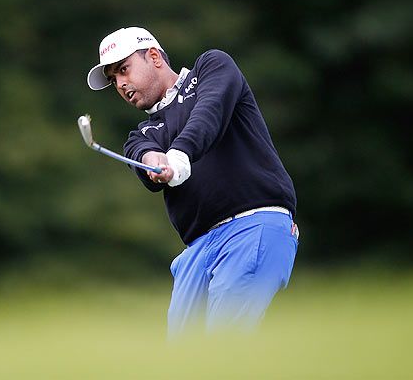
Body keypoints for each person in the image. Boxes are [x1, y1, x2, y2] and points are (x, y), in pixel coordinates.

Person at [85, 26, 299, 335]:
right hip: (197, 250)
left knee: (225, 345)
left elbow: (209, 111)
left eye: (123, 69)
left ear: (154, 57)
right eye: (113, 79)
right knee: (186, 359)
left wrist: (179, 154)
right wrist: (155, 162)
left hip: (253, 226)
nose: (120, 84)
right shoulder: (141, 134)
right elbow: (144, 153)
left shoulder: (212, 67)